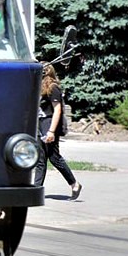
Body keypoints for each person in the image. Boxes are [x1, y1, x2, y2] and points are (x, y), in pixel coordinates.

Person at [36, 63, 82, 200]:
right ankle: (36, 189)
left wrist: (51, 131)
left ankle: (74, 184)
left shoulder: (52, 88)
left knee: (54, 158)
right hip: (40, 124)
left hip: (49, 125)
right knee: (40, 159)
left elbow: (57, 110)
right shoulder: (39, 87)